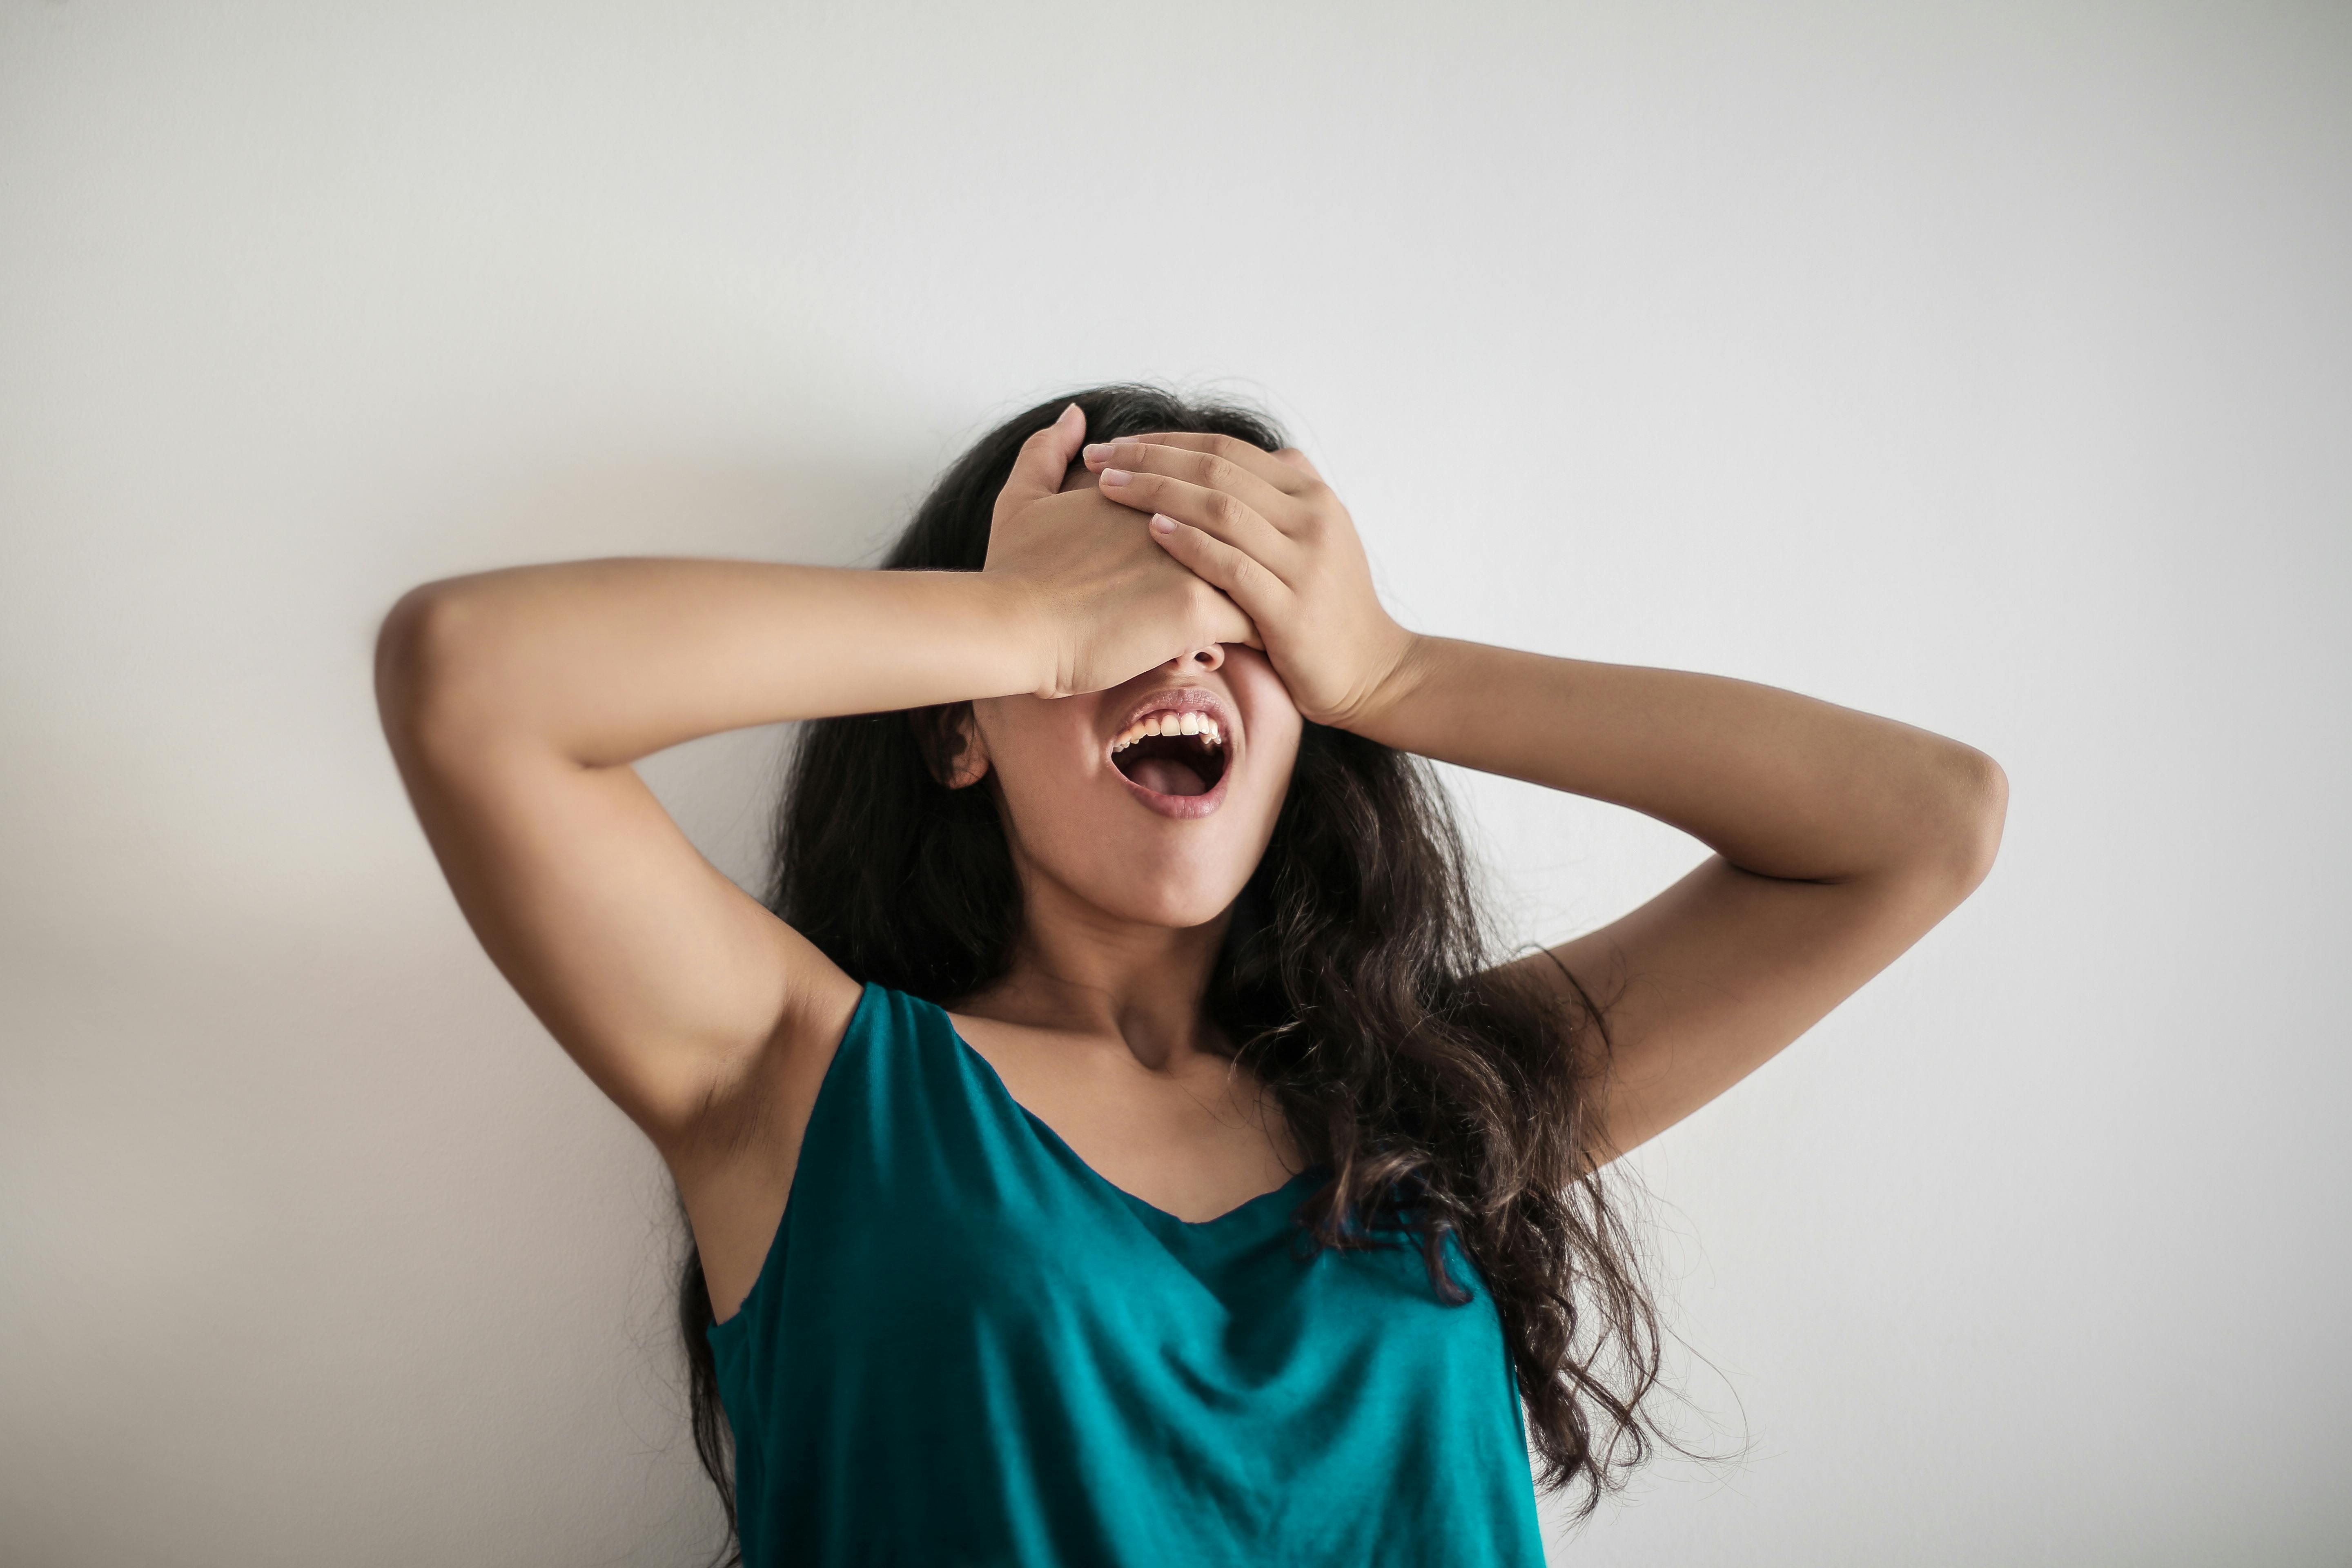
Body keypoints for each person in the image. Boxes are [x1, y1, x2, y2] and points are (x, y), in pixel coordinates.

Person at [374, 384, 2006, 1566]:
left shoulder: (1437, 1098)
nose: (1182, 644)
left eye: (1236, 615)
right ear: (958, 721)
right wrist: (1028, 625)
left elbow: (1924, 824)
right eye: (1121, 598)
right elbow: (470, 681)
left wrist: (1394, 663)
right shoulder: (806, 1085)